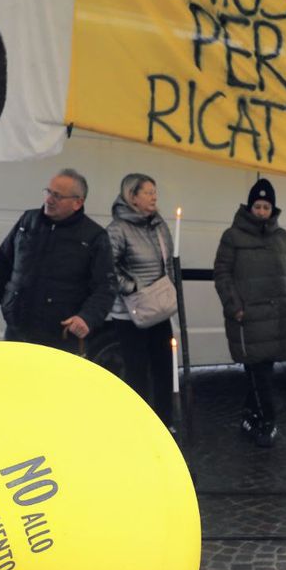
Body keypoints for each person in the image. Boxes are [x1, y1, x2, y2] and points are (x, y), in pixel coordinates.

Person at [0, 169, 115, 353]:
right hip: (16, 331)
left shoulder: (94, 236)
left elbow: (106, 287)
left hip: (61, 338)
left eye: (58, 196)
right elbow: (2, 265)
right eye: (48, 192)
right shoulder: (27, 222)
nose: (49, 199)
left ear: (77, 203)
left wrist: (87, 317)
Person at [214, 178, 286, 448]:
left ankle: (249, 416)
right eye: (258, 206)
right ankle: (268, 421)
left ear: (272, 209)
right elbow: (222, 274)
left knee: (264, 371)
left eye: (266, 207)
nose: (262, 212)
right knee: (258, 373)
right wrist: (235, 307)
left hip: (277, 318)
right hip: (249, 318)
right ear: (249, 207)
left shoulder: (282, 237)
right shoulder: (232, 237)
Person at [106, 174, 176, 428]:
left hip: (158, 309)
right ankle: (139, 425)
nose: (154, 197)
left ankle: (164, 422)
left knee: (164, 367)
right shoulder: (117, 229)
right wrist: (132, 288)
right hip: (130, 314)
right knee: (136, 371)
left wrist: (168, 289)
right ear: (132, 197)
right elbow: (108, 268)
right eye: (148, 192)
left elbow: (168, 263)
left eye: (155, 192)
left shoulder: (158, 225)